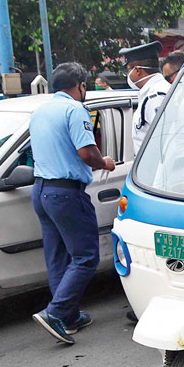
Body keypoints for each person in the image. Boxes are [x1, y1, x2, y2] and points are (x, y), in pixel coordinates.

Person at [29, 62, 116, 344]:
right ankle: (55, 312)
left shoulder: (40, 110)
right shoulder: (75, 110)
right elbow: (86, 153)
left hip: (41, 190)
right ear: (80, 85)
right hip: (66, 193)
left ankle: (67, 316)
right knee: (86, 256)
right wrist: (105, 162)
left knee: (58, 257)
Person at [120, 41, 171, 156]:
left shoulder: (156, 96)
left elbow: (167, 142)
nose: (127, 76)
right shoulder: (158, 91)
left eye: (127, 71)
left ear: (137, 70)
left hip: (165, 170)